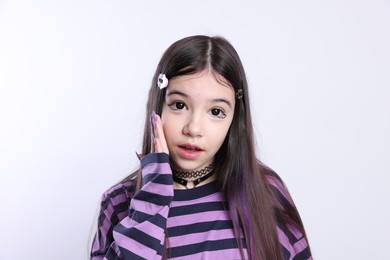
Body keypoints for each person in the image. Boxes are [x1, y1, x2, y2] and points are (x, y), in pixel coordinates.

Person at [90, 35, 312, 260]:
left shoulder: (265, 192)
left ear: (234, 119)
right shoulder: (119, 202)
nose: (194, 128)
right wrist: (154, 194)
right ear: (157, 107)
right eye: (179, 105)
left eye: (216, 112)